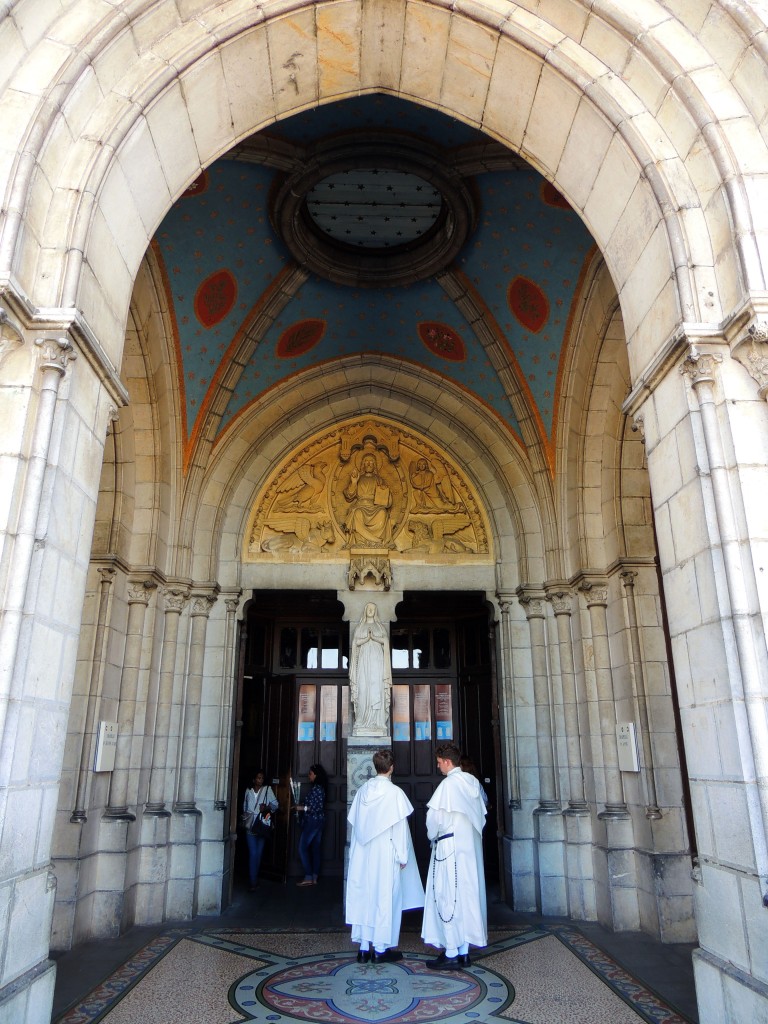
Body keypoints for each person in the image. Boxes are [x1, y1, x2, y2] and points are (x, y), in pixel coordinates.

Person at [345, 749, 424, 963]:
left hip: (363, 851)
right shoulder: (395, 794)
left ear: (375, 766)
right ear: (391, 767)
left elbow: (355, 823)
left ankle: (363, 947)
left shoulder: (362, 792)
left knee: (364, 895)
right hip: (385, 852)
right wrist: (402, 855)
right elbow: (400, 830)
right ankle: (380, 948)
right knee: (384, 897)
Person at [422, 743, 487, 970]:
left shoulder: (448, 785)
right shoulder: (473, 783)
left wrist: (432, 836)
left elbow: (434, 819)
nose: (438, 766)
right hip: (469, 848)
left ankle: (450, 951)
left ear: (448, 762)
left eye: (439, 762)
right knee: (467, 896)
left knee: (448, 895)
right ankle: (464, 951)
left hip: (449, 846)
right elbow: (482, 815)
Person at [349, 602, 391, 736]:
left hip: (377, 665)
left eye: (373, 609)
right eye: (369, 608)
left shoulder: (379, 627)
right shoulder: (360, 627)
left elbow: (385, 641)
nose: (371, 611)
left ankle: (377, 722)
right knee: (362, 690)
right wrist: (367, 638)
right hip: (363, 665)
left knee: (376, 690)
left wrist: (374, 638)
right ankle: (361, 721)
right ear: (365, 611)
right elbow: (355, 643)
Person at [343, 451, 393, 547]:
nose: (369, 464)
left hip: (375, 507)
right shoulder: (358, 478)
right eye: (366, 462)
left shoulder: (379, 479)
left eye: (371, 462)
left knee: (383, 513)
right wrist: (354, 482)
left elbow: (386, 501)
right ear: (363, 464)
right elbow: (349, 495)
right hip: (360, 506)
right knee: (357, 513)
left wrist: (385, 492)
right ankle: (361, 542)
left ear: (375, 465)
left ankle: (377, 541)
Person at [243, 770, 278, 891]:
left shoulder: (267, 789)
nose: (260, 780)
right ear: (253, 779)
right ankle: (253, 882)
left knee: (258, 854)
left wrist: (267, 807)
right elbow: (244, 807)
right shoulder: (248, 791)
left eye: (262, 778)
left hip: (262, 826)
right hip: (250, 826)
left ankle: (255, 878)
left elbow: (276, 805)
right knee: (253, 854)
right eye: (258, 778)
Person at [295, 763, 328, 886]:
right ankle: (314, 876)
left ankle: (309, 876)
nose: (308, 776)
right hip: (318, 821)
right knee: (315, 849)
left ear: (316, 775)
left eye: (310, 774)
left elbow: (315, 807)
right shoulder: (318, 788)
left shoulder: (318, 789)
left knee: (302, 848)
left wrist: (301, 808)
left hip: (313, 821)